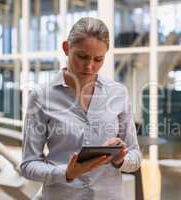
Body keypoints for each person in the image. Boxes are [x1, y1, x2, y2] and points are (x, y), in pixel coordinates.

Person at [20, 17, 142, 200]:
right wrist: (66, 173)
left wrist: (121, 160)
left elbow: (135, 155)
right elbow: (28, 164)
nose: (90, 66)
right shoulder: (41, 97)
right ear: (66, 48)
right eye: (82, 56)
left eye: (98, 59)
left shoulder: (118, 93)